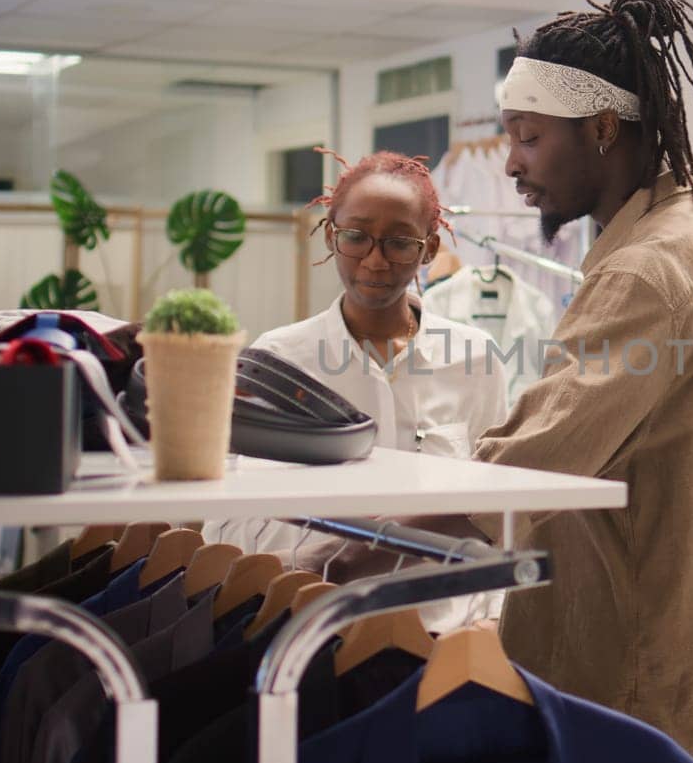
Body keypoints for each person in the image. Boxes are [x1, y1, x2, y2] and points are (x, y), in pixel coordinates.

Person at [305, 0, 693, 763]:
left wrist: (360, 555)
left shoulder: (648, 271)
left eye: (528, 136)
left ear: (604, 130)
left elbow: (530, 465)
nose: (511, 163)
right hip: (686, 638)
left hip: (647, 662)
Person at [203, 149, 507, 555]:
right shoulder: (278, 362)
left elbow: (497, 507)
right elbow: (228, 523)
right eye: (356, 237)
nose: (375, 260)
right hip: (317, 606)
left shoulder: (475, 360)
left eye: (399, 243)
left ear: (429, 250)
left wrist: (491, 614)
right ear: (331, 235)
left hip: (440, 613)